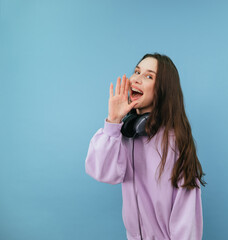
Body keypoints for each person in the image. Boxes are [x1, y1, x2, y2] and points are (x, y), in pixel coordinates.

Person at [85, 53, 207, 240]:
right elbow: (102, 173)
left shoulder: (175, 142)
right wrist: (113, 121)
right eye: (137, 72)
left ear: (162, 90)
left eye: (149, 76)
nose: (137, 79)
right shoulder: (123, 134)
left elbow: (186, 219)